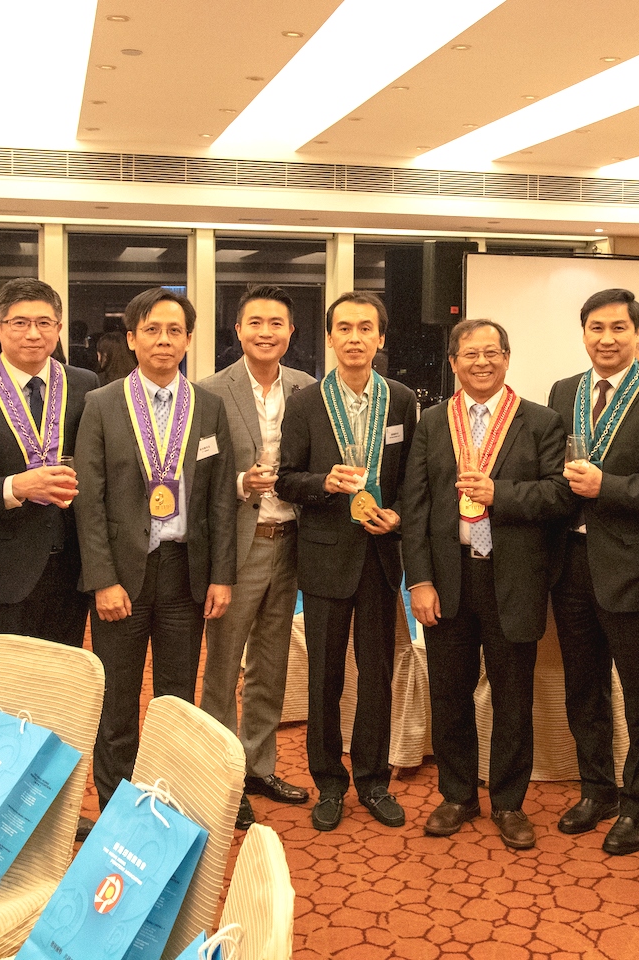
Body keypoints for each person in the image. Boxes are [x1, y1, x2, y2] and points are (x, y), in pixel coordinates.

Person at [402, 319, 569, 850]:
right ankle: (457, 796)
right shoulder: (433, 422)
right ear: (453, 362)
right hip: (448, 578)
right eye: (470, 354)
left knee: (513, 697)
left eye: (492, 353)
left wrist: (502, 493)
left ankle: (509, 802)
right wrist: (419, 580)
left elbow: (560, 497)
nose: (482, 362)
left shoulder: (541, 421)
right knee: (449, 692)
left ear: (507, 358)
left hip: (512, 578)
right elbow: (416, 505)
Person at [74, 287, 236, 809]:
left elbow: (220, 500)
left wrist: (221, 575)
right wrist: (102, 579)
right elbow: (89, 501)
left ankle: (169, 803)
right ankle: (115, 808)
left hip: (186, 573)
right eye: (151, 330)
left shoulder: (208, 407)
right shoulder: (101, 404)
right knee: (117, 701)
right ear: (132, 339)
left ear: (188, 340)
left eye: (174, 331)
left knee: (176, 699)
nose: (163, 340)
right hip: (123, 575)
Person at [547, 287, 639, 856]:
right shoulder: (563, 391)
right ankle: (596, 791)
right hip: (570, 564)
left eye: (618, 328)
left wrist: (605, 486)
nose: (606, 339)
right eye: (596, 328)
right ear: (583, 333)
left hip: (632, 568)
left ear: (637, 334)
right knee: (582, 687)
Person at [276, 291, 417, 832]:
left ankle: (374, 781)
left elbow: (413, 480)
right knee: (324, 678)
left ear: (380, 337)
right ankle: (329, 783)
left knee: (377, 674)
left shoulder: (401, 400)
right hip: (326, 557)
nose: (355, 338)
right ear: (330, 337)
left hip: (380, 556)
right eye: (344, 328)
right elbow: (287, 479)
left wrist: (398, 516)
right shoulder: (306, 403)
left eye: (365, 328)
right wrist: (324, 483)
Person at [199, 285, 315, 830]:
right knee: (223, 665)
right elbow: (196, 475)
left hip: (291, 541)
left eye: (276, 323)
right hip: (239, 545)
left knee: (271, 663)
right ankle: (221, 776)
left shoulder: (308, 388)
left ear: (291, 331)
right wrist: (241, 483)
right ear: (238, 330)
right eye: (255, 323)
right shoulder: (209, 391)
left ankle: (258, 767)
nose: (265, 332)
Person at [0, 278, 97, 658]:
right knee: (0, 686)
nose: (33, 333)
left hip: (70, 572)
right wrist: (16, 487)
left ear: (59, 328)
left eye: (44, 323)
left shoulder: (84, 385)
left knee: (61, 681)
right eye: (20, 323)